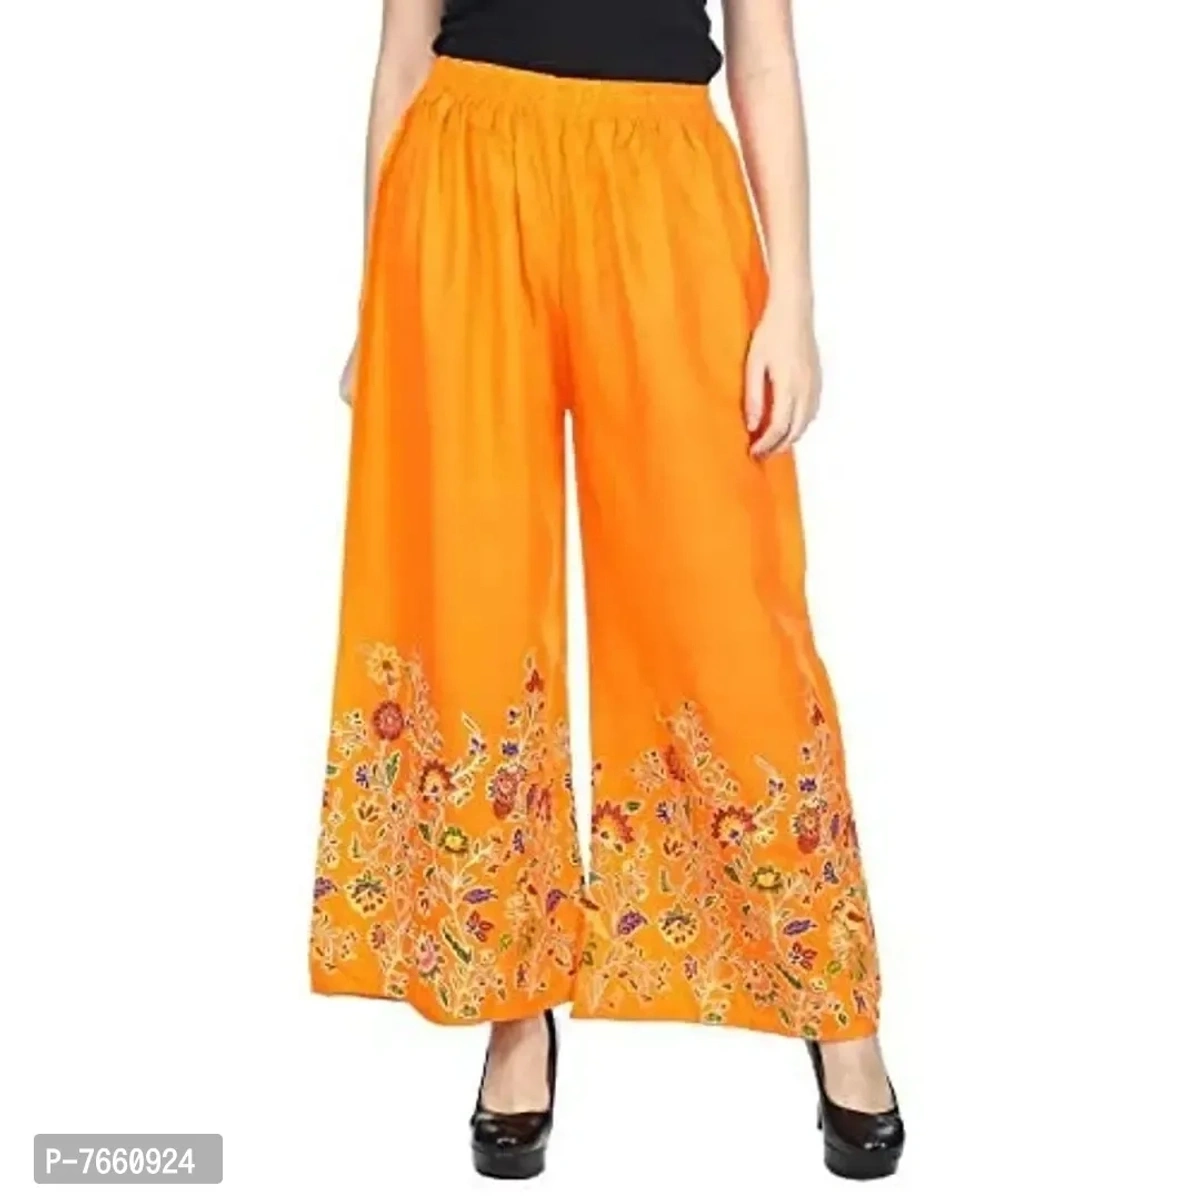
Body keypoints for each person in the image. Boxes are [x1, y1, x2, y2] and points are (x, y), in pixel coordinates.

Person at [310, 0, 904, 1181]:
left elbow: (765, 55)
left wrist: (791, 299)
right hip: (464, 182)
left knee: (725, 609)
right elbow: (402, 55)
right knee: (471, 605)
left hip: (662, 182)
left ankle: (834, 999)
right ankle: (510, 1007)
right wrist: (377, 300)